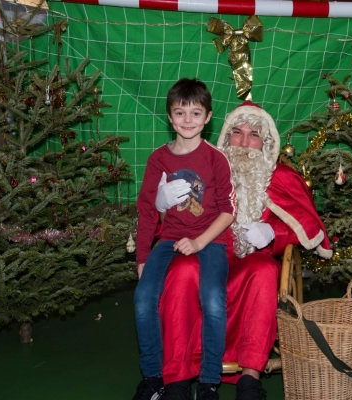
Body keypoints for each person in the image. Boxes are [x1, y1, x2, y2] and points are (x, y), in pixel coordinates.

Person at [155, 101, 333, 400]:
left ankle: (250, 378)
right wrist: (162, 206)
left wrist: (273, 233)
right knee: (182, 270)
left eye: (254, 135)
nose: (244, 142)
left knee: (264, 270)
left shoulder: (282, 177)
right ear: (226, 137)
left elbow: (308, 226)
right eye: (237, 132)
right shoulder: (203, 170)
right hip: (205, 254)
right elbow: (171, 224)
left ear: (266, 142)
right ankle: (177, 379)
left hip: (251, 260)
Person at [133, 78, 236, 400]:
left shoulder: (216, 158)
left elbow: (228, 211)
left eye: (195, 113)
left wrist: (200, 242)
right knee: (143, 297)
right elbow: (147, 212)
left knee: (213, 299)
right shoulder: (158, 159)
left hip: (210, 241)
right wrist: (142, 258)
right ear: (169, 116)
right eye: (180, 113)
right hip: (169, 239)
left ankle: (208, 381)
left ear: (208, 118)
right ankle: (154, 377)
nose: (187, 120)